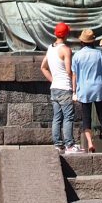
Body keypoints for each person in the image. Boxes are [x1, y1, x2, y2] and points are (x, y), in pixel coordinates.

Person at [72, 29, 102, 153]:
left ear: (82, 42)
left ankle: (90, 143)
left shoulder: (77, 56)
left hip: (84, 90)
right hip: (98, 88)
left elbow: (74, 75)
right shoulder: (100, 54)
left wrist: (74, 91)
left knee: (86, 119)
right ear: (93, 41)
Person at [40, 22, 77, 153]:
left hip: (54, 87)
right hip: (64, 87)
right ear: (67, 34)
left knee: (57, 117)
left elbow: (43, 67)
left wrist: (53, 80)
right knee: (68, 117)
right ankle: (70, 145)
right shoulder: (66, 50)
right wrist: (75, 87)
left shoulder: (50, 48)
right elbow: (69, 70)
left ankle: (57, 143)